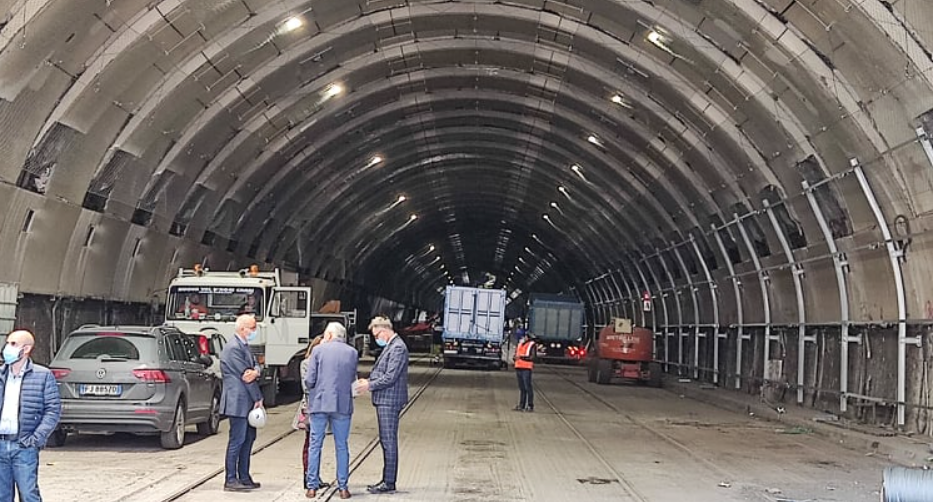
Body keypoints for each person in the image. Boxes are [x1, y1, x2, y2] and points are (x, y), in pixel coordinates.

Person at [0, 330, 61, 502]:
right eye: (7, 343)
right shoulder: (1, 375)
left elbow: (52, 410)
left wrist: (35, 439)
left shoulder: (43, 376)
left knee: (28, 494)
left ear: (26, 349)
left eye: (13, 344)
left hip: (24, 446)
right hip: (1, 444)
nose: (7, 348)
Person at [304, 322, 359, 499]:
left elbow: (310, 379)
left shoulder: (318, 351)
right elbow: (353, 379)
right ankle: (343, 488)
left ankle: (312, 487)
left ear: (328, 335)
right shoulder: (352, 352)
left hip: (320, 403)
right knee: (342, 446)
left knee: (315, 445)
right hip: (342, 404)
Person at [355, 316, 409, 494]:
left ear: (384, 330)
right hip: (385, 399)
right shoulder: (392, 346)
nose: (376, 339)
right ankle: (387, 479)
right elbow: (383, 372)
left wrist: (369, 385)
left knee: (388, 441)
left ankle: (389, 482)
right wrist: (368, 380)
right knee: (386, 440)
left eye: (377, 335)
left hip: (389, 400)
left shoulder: (398, 348)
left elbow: (390, 377)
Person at [219, 315, 264, 492]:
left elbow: (256, 367)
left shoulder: (244, 345)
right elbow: (246, 375)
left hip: (247, 401)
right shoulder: (233, 348)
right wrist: (258, 398)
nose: (255, 331)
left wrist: (257, 371)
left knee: (249, 438)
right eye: (252, 327)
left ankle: (244, 476)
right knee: (237, 439)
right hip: (238, 401)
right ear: (242, 328)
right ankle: (230, 479)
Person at [295, 335, 328, 490]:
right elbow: (307, 387)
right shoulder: (306, 363)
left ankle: (314, 475)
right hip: (311, 406)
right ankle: (308, 475)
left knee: (316, 443)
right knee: (311, 443)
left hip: (323, 405)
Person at [513, 330, 536, 412]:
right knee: (522, 388)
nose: (523, 338)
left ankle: (530, 405)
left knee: (527, 387)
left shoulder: (532, 345)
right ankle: (521, 405)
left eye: (525, 336)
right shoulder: (520, 344)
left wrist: (521, 357)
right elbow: (517, 354)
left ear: (528, 337)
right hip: (518, 367)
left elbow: (533, 357)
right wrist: (515, 358)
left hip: (526, 368)